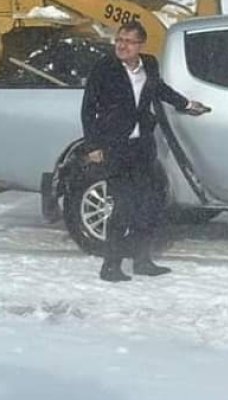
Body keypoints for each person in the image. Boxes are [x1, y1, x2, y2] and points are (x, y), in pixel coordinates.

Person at [81, 21, 208, 282]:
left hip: (142, 145)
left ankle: (142, 260)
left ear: (140, 45)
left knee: (148, 204)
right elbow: (88, 108)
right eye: (119, 40)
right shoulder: (104, 68)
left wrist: (186, 104)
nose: (122, 45)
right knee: (123, 206)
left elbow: (159, 89)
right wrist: (93, 145)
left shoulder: (148, 64)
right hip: (115, 146)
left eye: (129, 41)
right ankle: (111, 265)